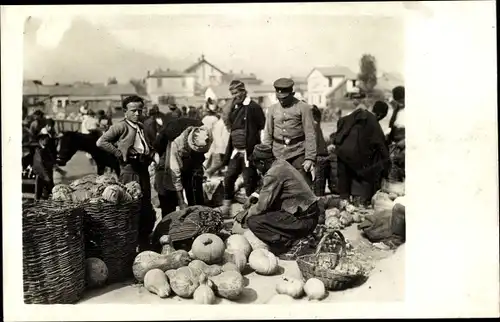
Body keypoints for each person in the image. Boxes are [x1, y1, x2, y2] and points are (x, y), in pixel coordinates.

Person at [235, 144, 320, 260]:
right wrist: (254, 196)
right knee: (268, 212)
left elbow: (261, 207)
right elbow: (267, 189)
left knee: (254, 222)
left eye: (257, 166)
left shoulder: (273, 173)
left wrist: (245, 214)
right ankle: (300, 236)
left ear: (262, 163)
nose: (257, 170)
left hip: (304, 221)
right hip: (309, 215)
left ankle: (293, 243)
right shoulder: (281, 163)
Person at [96, 95, 158, 252]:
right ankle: (129, 245)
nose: (137, 114)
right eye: (133, 111)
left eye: (140, 110)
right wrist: (118, 153)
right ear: (125, 112)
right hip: (130, 171)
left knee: (145, 206)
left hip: (143, 169)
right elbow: (101, 142)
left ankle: (144, 243)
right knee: (130, 206)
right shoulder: (120, 127)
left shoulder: (141, 127)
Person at [220, 80, 266, 217]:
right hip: (236, 151)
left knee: (249, 181)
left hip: (249, 152)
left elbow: (262, 127)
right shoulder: (233, 108)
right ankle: (226, 208)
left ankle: (249, 212)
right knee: (228, 178)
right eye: (232, 93)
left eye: (237, 92)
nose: (235, 96)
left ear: (243, 91)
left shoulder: (253, 107)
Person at [333, 96, 389, 207]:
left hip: (342, 149)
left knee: (344, 172)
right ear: (381, 115)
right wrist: (387, 166)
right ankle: (360, 199)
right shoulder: (373, 121)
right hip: (356, 154)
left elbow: (340, 123)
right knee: (369, 167)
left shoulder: (355, 115)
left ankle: (344, 200)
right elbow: (381, 145)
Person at [262, 78, 317, 185]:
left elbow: (310, 134)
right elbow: (268, 134)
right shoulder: (272, 109)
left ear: (292, 93)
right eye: (279, 98)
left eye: (285, 98)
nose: (281, 101)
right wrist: (265, 156)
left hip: (298, 153)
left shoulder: (303, 108)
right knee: (276, 185)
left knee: (302, 185)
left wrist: (310, 158)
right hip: (278, 154)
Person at [154, 123, 212, 217]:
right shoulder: (176, 143)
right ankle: (169, 220)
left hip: (191, 156)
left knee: (195, 184)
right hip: (165, 154)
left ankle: (198, 215)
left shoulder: (206, 133)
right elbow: (175, 174)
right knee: (168, 190)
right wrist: (181, 201)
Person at [386, 86, 406, 181]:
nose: (400, 103)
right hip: (396, 142)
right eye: (398, 101)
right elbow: (392, 125)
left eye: (401, 100)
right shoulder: (397, 109)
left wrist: (404, 141)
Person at [311, 105, 330, 196]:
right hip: (321, 156)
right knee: (319, 188)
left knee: (316, 188)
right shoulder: (316, 125)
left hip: (317, 156)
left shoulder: (312, 126)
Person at [32, 133, 56, 200]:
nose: (47, 141)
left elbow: (52, 160)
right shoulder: (38, 150)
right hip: (41, 174)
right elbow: (40, 164)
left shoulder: (47, 149)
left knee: (49, 191)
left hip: (48, 173)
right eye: (46, 140)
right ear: (41, 140)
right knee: (38, 192)